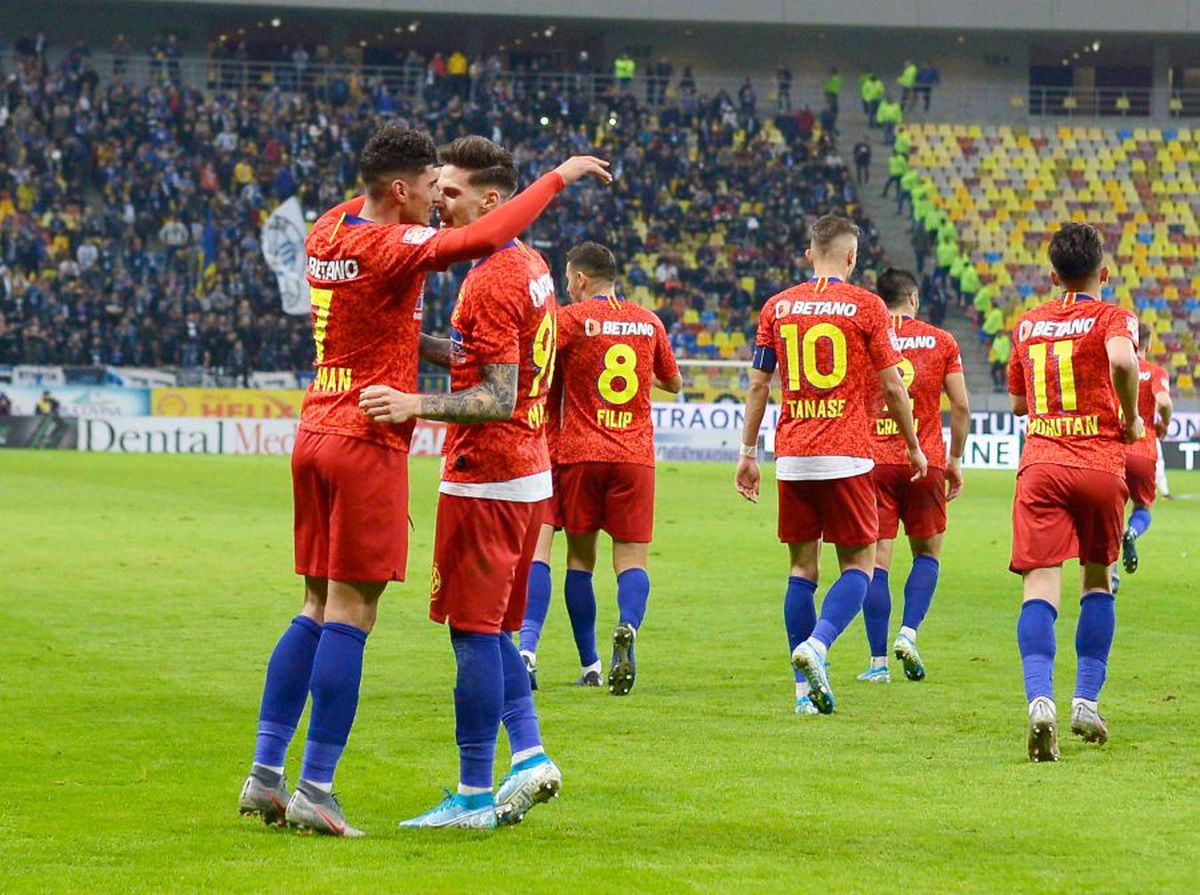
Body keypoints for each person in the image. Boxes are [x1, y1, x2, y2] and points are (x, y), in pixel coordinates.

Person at [237, 124, 609, 836]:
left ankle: (264, 773)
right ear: (400, 191)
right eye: (427, 189)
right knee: (351, 615)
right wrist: (557, 176)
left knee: (313, 606)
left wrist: (409, 174)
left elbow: (393, 215)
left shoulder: (327, 229)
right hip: (367, 438)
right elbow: (476, 239)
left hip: (314, 430)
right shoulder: (399, 245)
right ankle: (316, 786)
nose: (435, 204)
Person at [362, 136, 610, 830]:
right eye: (436, 188)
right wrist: (414, 343)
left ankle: (473, 794)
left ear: (492, 200)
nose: (438, 201)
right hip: (528, 474)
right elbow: (481, 360)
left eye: (451, 191)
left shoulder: (489, 279)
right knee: (498, 631)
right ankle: (528, 754)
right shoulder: (528, 266)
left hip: (487, 474)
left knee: (471, 633)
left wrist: (415, 402)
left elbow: (495, 394)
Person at [735, 215, 927, 717]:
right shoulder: (866, 306)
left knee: (801, 569)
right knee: (860, 567)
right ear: (850, 257)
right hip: (847, 453)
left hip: (794, 454)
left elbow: (758, 385)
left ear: (808, 254)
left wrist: (748, 453)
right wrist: (913, 445)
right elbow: (892, 385)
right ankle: (818, 645)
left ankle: (803, 695)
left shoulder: (777, 307)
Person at [1007, 222, 1142, 762]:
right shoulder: (1113, 315)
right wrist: (1130, 418)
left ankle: (1041, 700)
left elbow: (1019, 405)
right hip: (1099, 466)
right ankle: (1085, 699)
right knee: (1097, 583)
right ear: (1103, 273)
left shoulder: (1029, 323)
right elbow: (1125, 360)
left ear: (1052, 274)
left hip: (1042, 464)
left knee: (1040, 588)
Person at [544, 242, 681, 695]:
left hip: (580, 452)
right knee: (631, 562)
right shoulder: (648, 321)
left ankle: (590, 663)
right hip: (633, 456)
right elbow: (674, 382)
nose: (567, 286)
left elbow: (540, 364)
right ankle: (628, 626)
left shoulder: (570, 318)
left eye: (568, 278)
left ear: (581, 279)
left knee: (580, 561)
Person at [858, 269, 969, 684]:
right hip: (925, 461)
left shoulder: (866, 337)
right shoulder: (942, 341)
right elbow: (960, 406)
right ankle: (908, 632)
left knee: (876, 563)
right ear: (914, 298)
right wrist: (955, 459)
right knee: (926, 555)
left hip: (874, 462)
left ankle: (876, 663)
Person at [1119, 324, 1172, 577]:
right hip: (1143, 447)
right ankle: (1132, 532)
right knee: (1142, 507)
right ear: (1148, 344)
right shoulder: (1155, 371)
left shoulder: (1117, 368)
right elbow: (1163, 401)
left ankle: (1111, 573)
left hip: (1115, 447)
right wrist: (1165, 423)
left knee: (1111, 508)